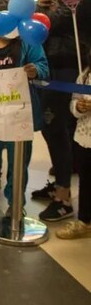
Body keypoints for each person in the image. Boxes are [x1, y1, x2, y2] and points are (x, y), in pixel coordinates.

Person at [0, 29, 49, 220]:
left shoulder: (28, 43)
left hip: (19, 114)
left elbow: (44, 68)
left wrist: (35, 70)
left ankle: (15, 203)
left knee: (19, 162)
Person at [32, 0, 91, 221]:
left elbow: (52, 24)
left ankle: (64, 196)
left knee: (56, 127)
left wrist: (45, 10)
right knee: (55, 128)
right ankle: (60, 185)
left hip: (68, 67)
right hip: (53, 64)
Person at [57, 49, 91, 239]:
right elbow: (74, 101)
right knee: (86, 181)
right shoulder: (85, 75)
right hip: (84, 137)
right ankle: (84, 221)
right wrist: (78, 107)